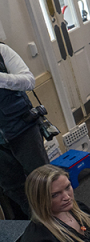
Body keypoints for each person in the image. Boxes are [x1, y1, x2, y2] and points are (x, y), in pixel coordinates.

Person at [0, 42, 49, 219]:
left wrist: (1, 79)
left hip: (22, 130)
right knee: (12, 188)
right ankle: (39, 223)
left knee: (44, 180)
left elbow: (29, 81)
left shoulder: (2, 51)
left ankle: (65, 222)